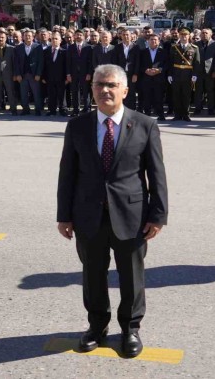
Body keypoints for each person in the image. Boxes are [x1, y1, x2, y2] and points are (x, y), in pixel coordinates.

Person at [56, 64, 168, 359]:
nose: (104, 90)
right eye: (98, 85)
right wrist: (64, 215)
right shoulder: (78, 125)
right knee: (93, 274)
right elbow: (67, 173)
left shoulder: (144, 125)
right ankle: (96, 327)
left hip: (132, 216)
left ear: (124, 91)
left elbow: (157, 174)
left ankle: (130, 328)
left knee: (132, 276)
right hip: (87, 215)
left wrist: (158, 215)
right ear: (91, 89)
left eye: (111, 85)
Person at [166, 27, 200, 122]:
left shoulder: (194, 48)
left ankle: (186, 114)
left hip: (188, 75)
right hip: (176, 74)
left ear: (189, 36)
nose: (184, 37)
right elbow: (170, 62)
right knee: (176, 95)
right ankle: (177, 114)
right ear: (179, 36)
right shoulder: (174, 48)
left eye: (186, 35)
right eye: (182, 35)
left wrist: (195, 74)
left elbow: (197, 63)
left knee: (186, 95)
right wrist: (169, 74)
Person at [138, 33, 169, 120]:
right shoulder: (143, 52)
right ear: (148, 41)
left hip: (158, 78)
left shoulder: (163, 52)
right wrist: (145, 70)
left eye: (155, 40)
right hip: (146, 78)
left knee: (159, 97)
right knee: (146, 97)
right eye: (151, 39)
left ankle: (160, 115)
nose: (153, 41)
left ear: (159, 41)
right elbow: (139, 64)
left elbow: (167, 64)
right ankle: (147, 114)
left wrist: (159, 70)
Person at [193, 28, 215, 116]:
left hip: (210, 72)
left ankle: (211, 109)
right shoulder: (196, 44)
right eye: (203, 33)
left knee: (210, 91)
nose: (204, 34)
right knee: (198, 91)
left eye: (206, 33)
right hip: (199, 72)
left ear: (210, 34)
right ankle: (198, 108)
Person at [66, 29, 93, 115]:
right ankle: (75, 110)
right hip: (73, 74)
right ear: (74, 36)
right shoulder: (70, 47)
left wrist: (89, 73)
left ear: (84, 36)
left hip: (85, 74)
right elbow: (68, 62)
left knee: (86, 92)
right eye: (77, 35)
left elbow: (90, 62)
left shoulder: (88, 47)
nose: (78, 36)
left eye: (80, 35)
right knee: (74, 92)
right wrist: (68, 74)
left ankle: (87, 109)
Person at [41, 30, 68, 116]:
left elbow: (67, 66)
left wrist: (67, 77)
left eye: (56, 39)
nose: (54, 40)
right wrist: (43, 77)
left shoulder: (64, 52)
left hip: (61, 77)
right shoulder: (46, 51)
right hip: (49, 77)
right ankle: (52, 110)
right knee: (51, 94)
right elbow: (43, 65)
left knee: (61, 94)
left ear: (60, 41)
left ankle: (62, 109)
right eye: (52, 39)